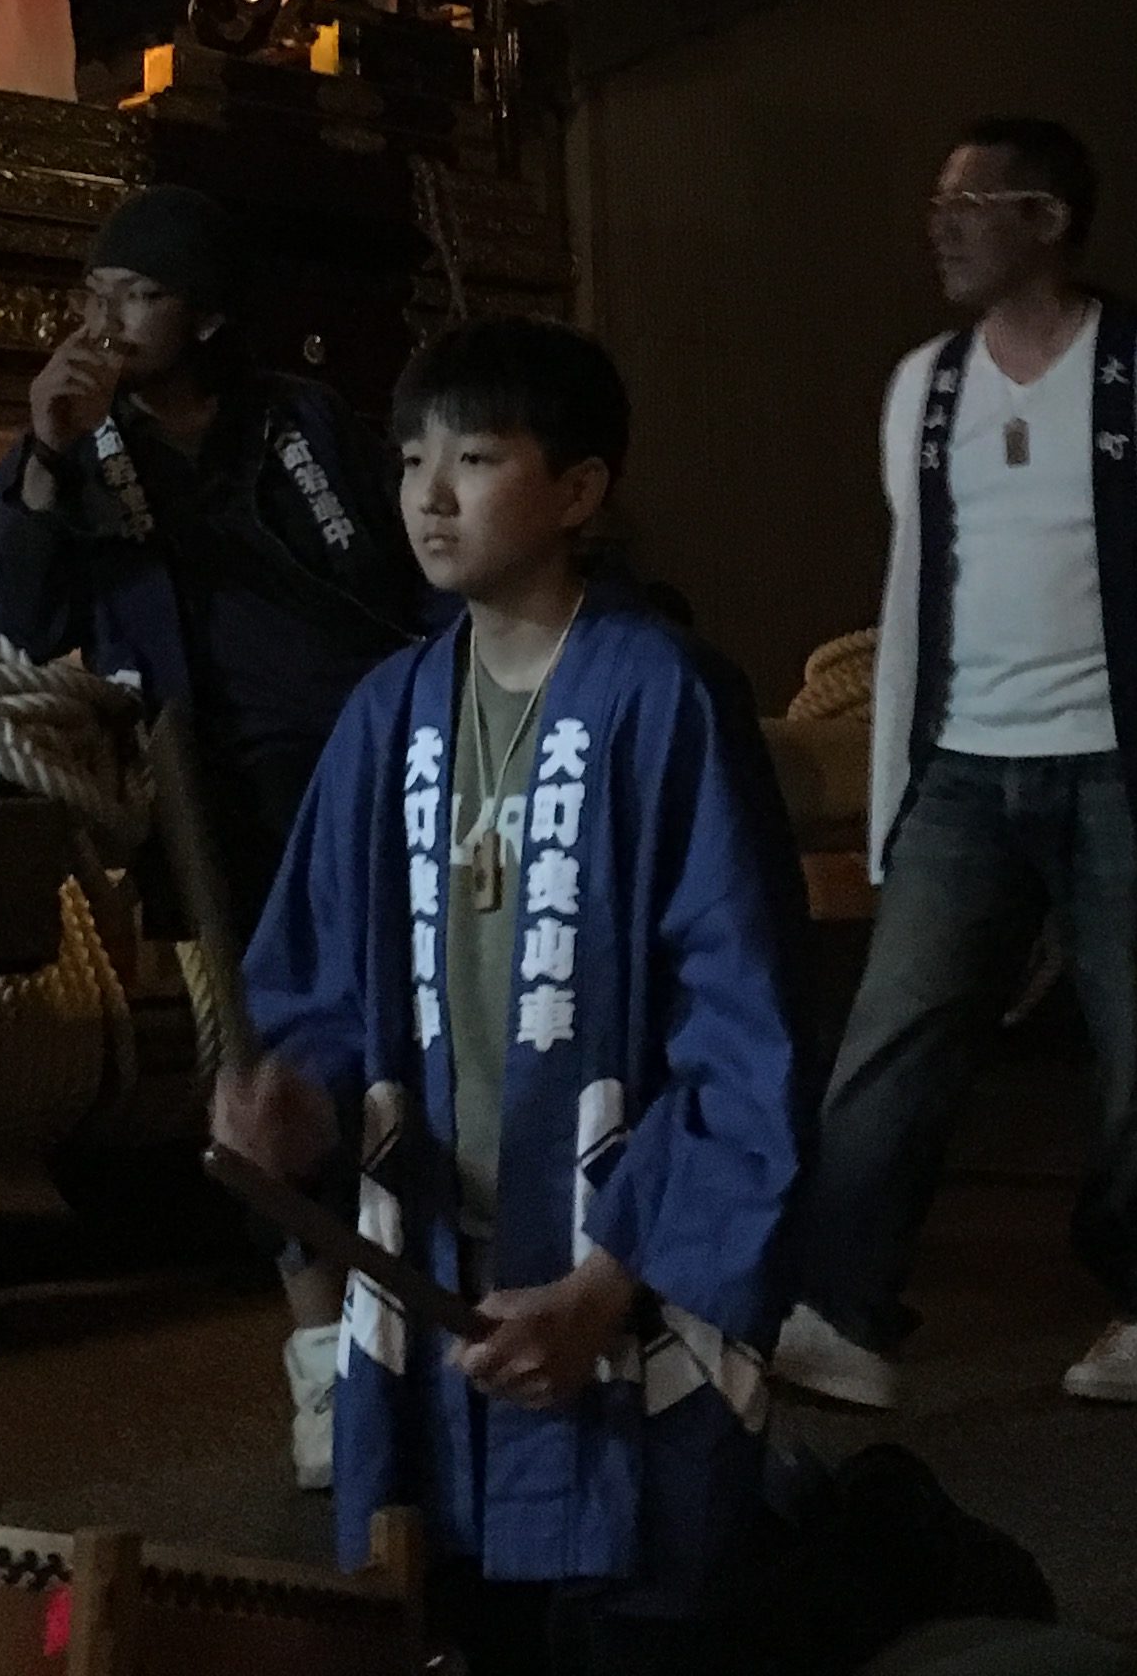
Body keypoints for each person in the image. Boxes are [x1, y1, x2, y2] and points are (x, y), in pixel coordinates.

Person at [217, 317, 807, 1676]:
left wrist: (608, 1286)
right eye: (409, 460)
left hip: (617, 1264)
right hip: (436, 1259)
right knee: (446, 1606)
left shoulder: (664, 698)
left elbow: (742, 1031)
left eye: (475, 459)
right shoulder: (388, 714)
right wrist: (294, 1104)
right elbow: (316, 989)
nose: (429, 496)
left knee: (642, 1615)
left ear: (581, 489)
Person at [777, 117, 1137, 1413]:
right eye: (936, 204)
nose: (940, 226)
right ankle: (843, 1309)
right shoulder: (926, 385)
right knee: (896, 1033)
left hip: (1120, 760)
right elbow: (919, 565)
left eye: (970, 203)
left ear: (1047, 220)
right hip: (960, 767)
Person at [0, 182, 425, 1482]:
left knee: (403, 1046)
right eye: (95, 292)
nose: (106, 319)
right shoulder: (79, 446)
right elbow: (1, 629)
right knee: (263, 1067)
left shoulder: (302, 422)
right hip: (211, 794)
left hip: (367, 766)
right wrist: (44, 459)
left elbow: (400, 574)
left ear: (209, 317)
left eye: (141, 295)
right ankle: (321, 1359)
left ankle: (422, 1321)